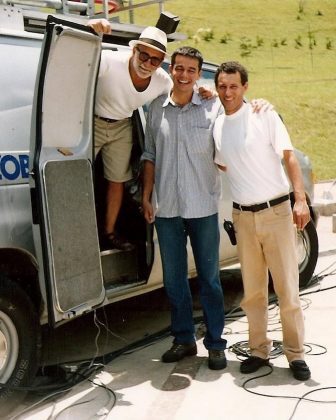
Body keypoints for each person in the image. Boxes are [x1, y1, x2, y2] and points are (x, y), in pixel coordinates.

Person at [213, 61, 311, 380]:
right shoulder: (217, 125)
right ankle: (258, 350)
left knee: (287, 289)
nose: (228, 92)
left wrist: (299, 198)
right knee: (253, 291)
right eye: (222, 86)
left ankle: (295, 354)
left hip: (276, 212)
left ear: (245, 88)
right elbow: (224, 165)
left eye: (234, 86)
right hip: (243, 216)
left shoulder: (263, 114)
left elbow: (289, 156)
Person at [88, 19, 214, 251]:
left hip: (122, 125)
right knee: (78, 178)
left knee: (117, 180)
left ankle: (108, 234)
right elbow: (81, 65)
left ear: (160, 64)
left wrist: (204, 89)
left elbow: (183, 88)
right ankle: (81, 235)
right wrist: (90, 30)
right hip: (90, 123)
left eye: (154, 60)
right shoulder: (109, 61)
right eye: (143, 55)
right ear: (134, 50)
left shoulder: (162, 81)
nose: (147, 63)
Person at [141, 46, 227, 370]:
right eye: (179, 68)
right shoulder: (155, 110)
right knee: (174, 281)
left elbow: (231, 134)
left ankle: (216, 344)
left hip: (203, 206)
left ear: (199, 73)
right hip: (167, 209)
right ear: (171, 69)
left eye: (191, 70)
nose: (184, 75)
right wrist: (147, 196)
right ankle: (184, 339)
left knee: (210, 279)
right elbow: (149, 155)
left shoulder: (211, 107)